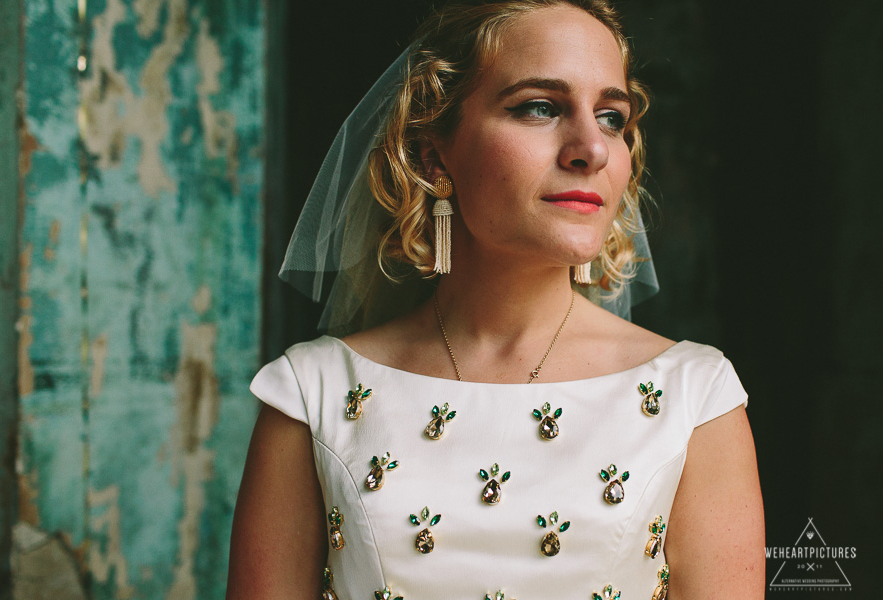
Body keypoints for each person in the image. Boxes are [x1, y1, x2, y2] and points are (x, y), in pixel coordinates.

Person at [227, 1, 764, 598]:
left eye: (612, 117)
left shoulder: (695, 398)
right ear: (435, 154)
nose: (593, 148)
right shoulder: (313, 395)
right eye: (539, 107)